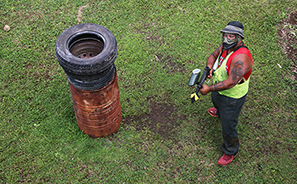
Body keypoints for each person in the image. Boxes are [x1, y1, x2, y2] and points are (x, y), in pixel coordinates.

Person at [199, 21, 253, 166]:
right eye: (225, 35)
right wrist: (209, 68)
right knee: (216, 101)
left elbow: (230, 82)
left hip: (232, 97)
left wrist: (209, 88)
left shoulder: (241, 58)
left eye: (231, 36)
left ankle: (230, 151)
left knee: (228, 126)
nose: (226, 39)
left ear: (239, 38)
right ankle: (220, 111)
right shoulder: (226, 46)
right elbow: (213, 56)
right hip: (219, 91)